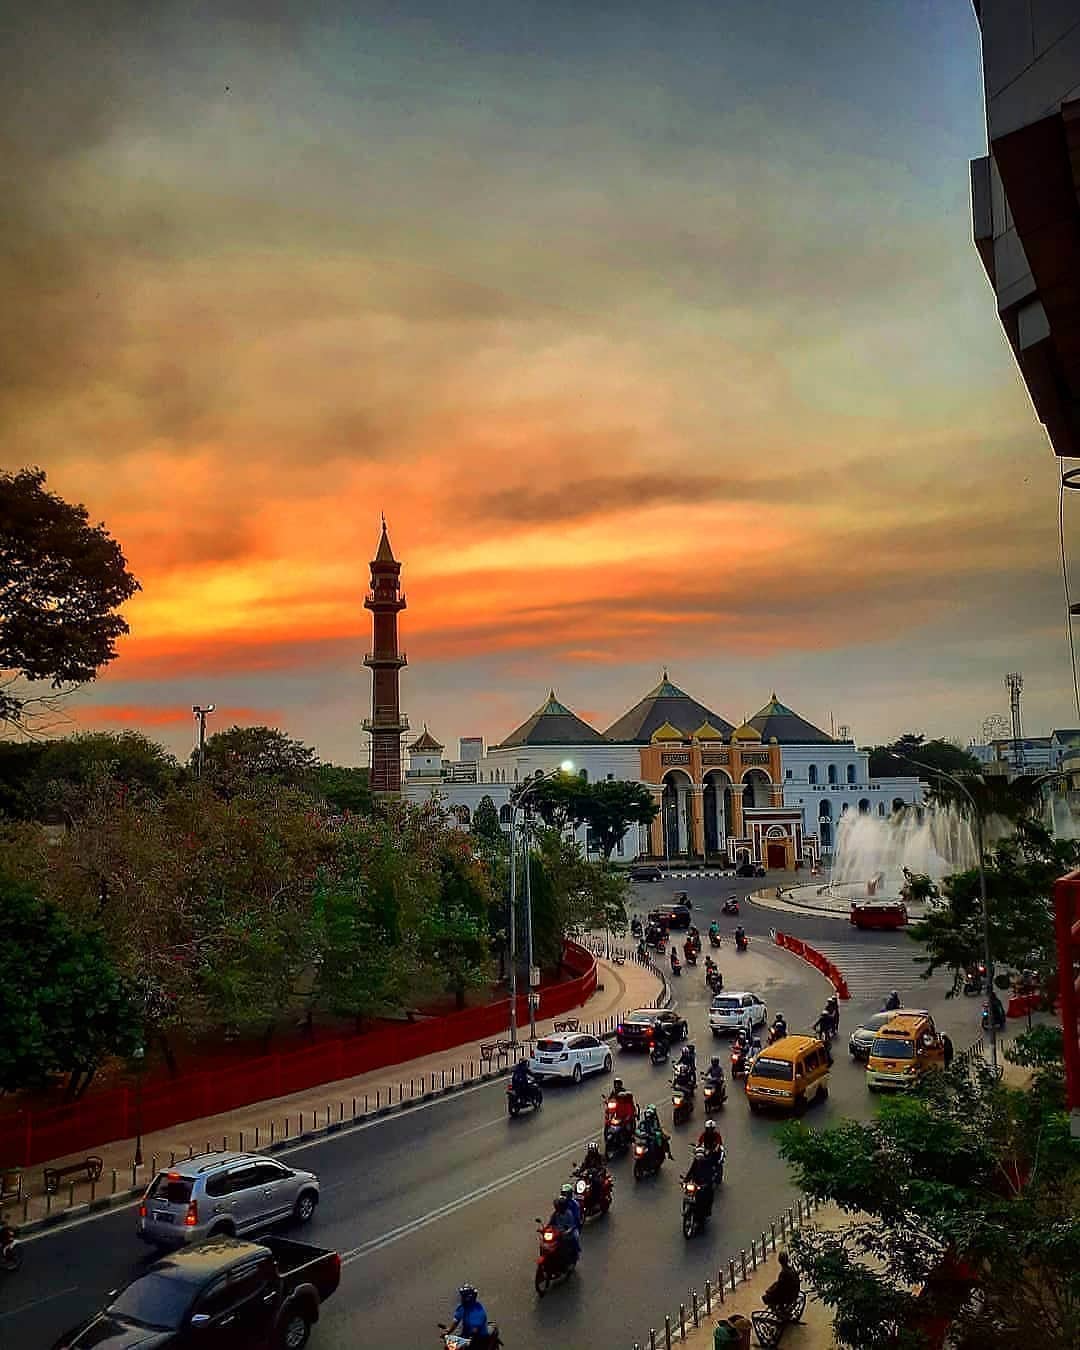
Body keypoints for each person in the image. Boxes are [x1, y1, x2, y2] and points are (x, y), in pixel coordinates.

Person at [547, 1194, 581, 1264]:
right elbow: (550, 1223)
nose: (557, 1208)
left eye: (558, 1207)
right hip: (557, 1233)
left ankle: (574, 1255)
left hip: (567, 1233)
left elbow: (572, 1225)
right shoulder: (556, 1213)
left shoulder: (569, 1214)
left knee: (574, 1238)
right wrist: (544, 1228)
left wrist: (567, 1231)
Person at [684, 1144, 716, 1216]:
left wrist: (706, 1184)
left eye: (700, 1158)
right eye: (697, 1158)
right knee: (688, 1192)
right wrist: (685, 1180)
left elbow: (711, 1176)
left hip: (705, 1185)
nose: (699, 1159)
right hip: (696, 1182)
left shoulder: (708, 1164)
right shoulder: (696, 1162)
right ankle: (689, 1208)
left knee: (708, 1196)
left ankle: (705, 1211)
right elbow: (691, 1171)